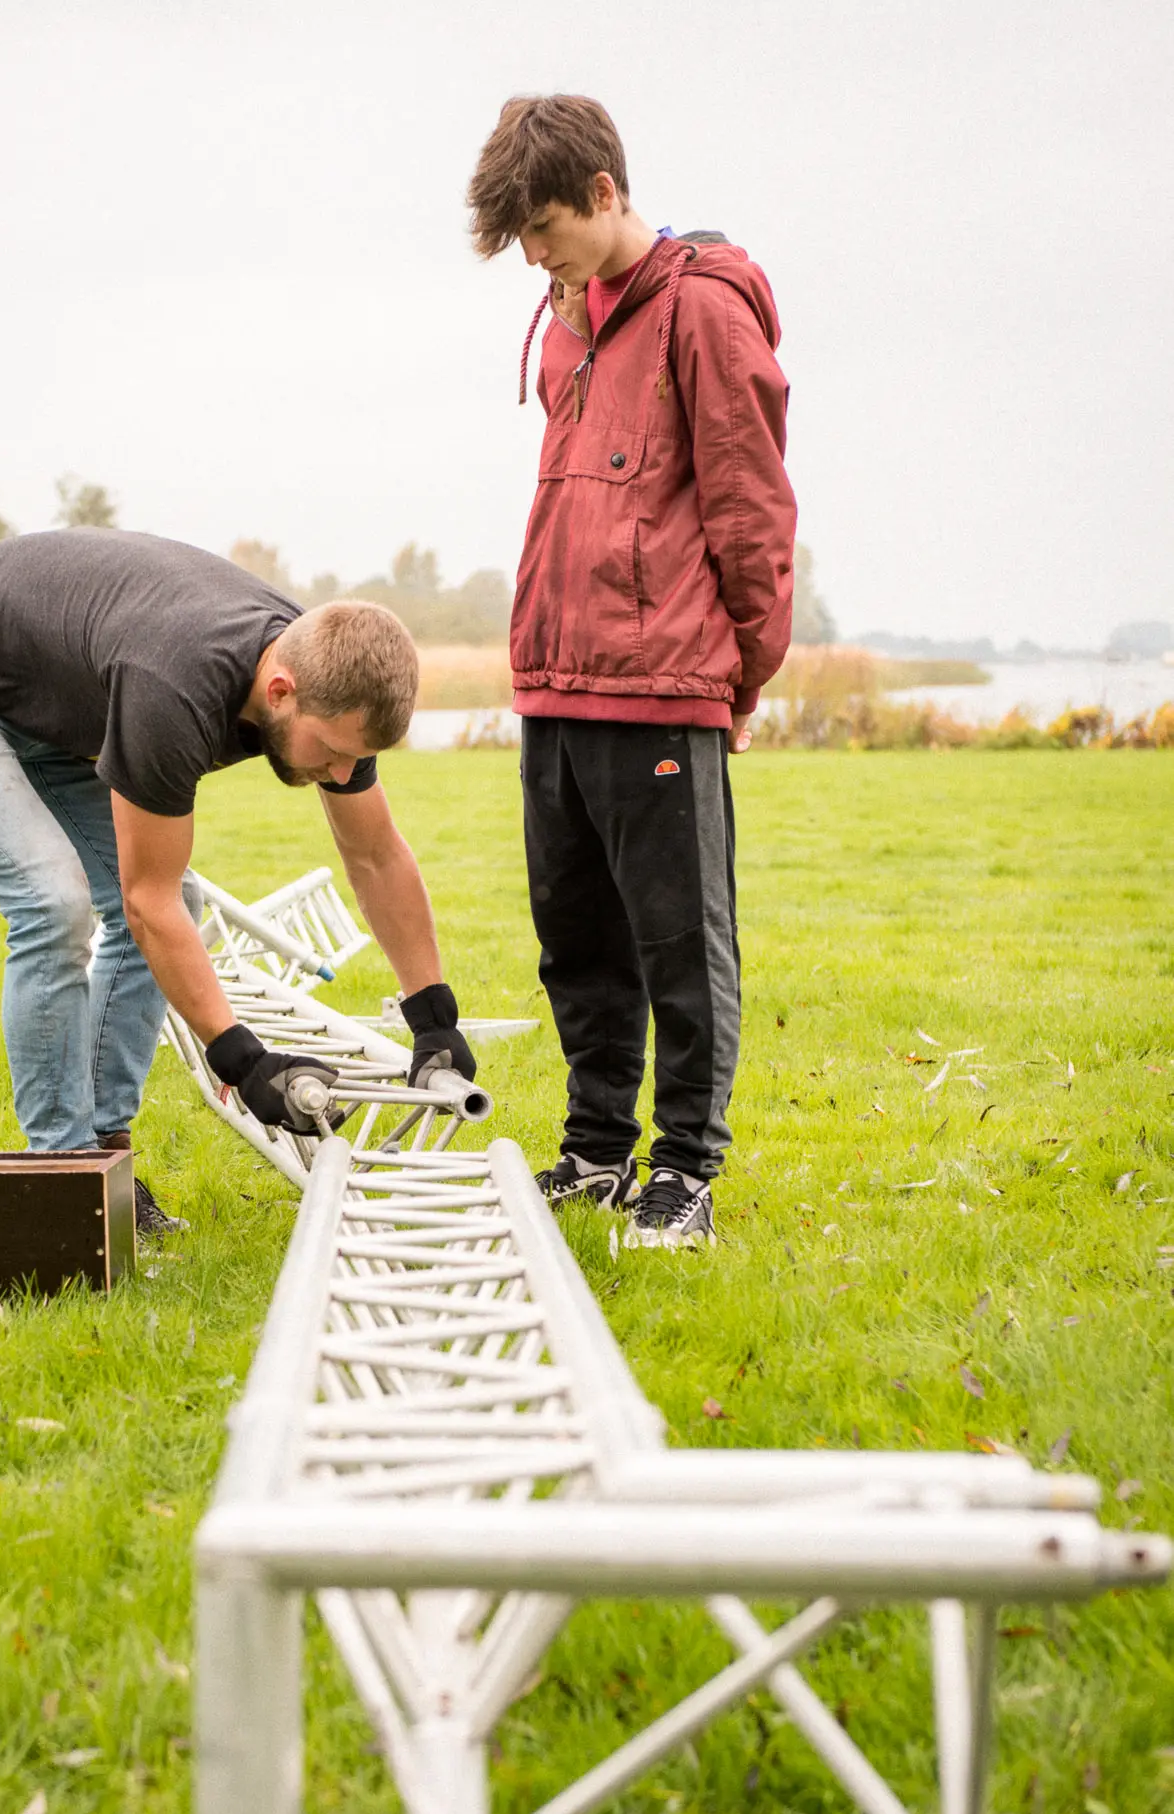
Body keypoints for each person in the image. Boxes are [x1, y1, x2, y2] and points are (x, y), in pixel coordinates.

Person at [0, 528, 477, 1233]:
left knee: (184, 898)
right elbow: (147, 903)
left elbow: (377, 855)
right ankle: (64, 1179)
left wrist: (433, 1016)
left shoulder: (326, 675)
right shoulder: (175, 685)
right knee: (53, 905)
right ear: (280, 689)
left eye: (350, 760)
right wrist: (243, 1058)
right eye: (329, 753)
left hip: (34, 700)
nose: (336, 774)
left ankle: (105, 1161)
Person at [467, 95, 796, 1247]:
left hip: (665, 685)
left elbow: (751, 507)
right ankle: (599, 1149)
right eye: (521, 237)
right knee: (577, 938)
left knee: (678, 945)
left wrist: (742, 677)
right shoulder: (565, 317)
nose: (534, 253)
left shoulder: (705, 313)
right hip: (553, 680)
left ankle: (685, 1172)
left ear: (606, 193)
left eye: (547, 226)